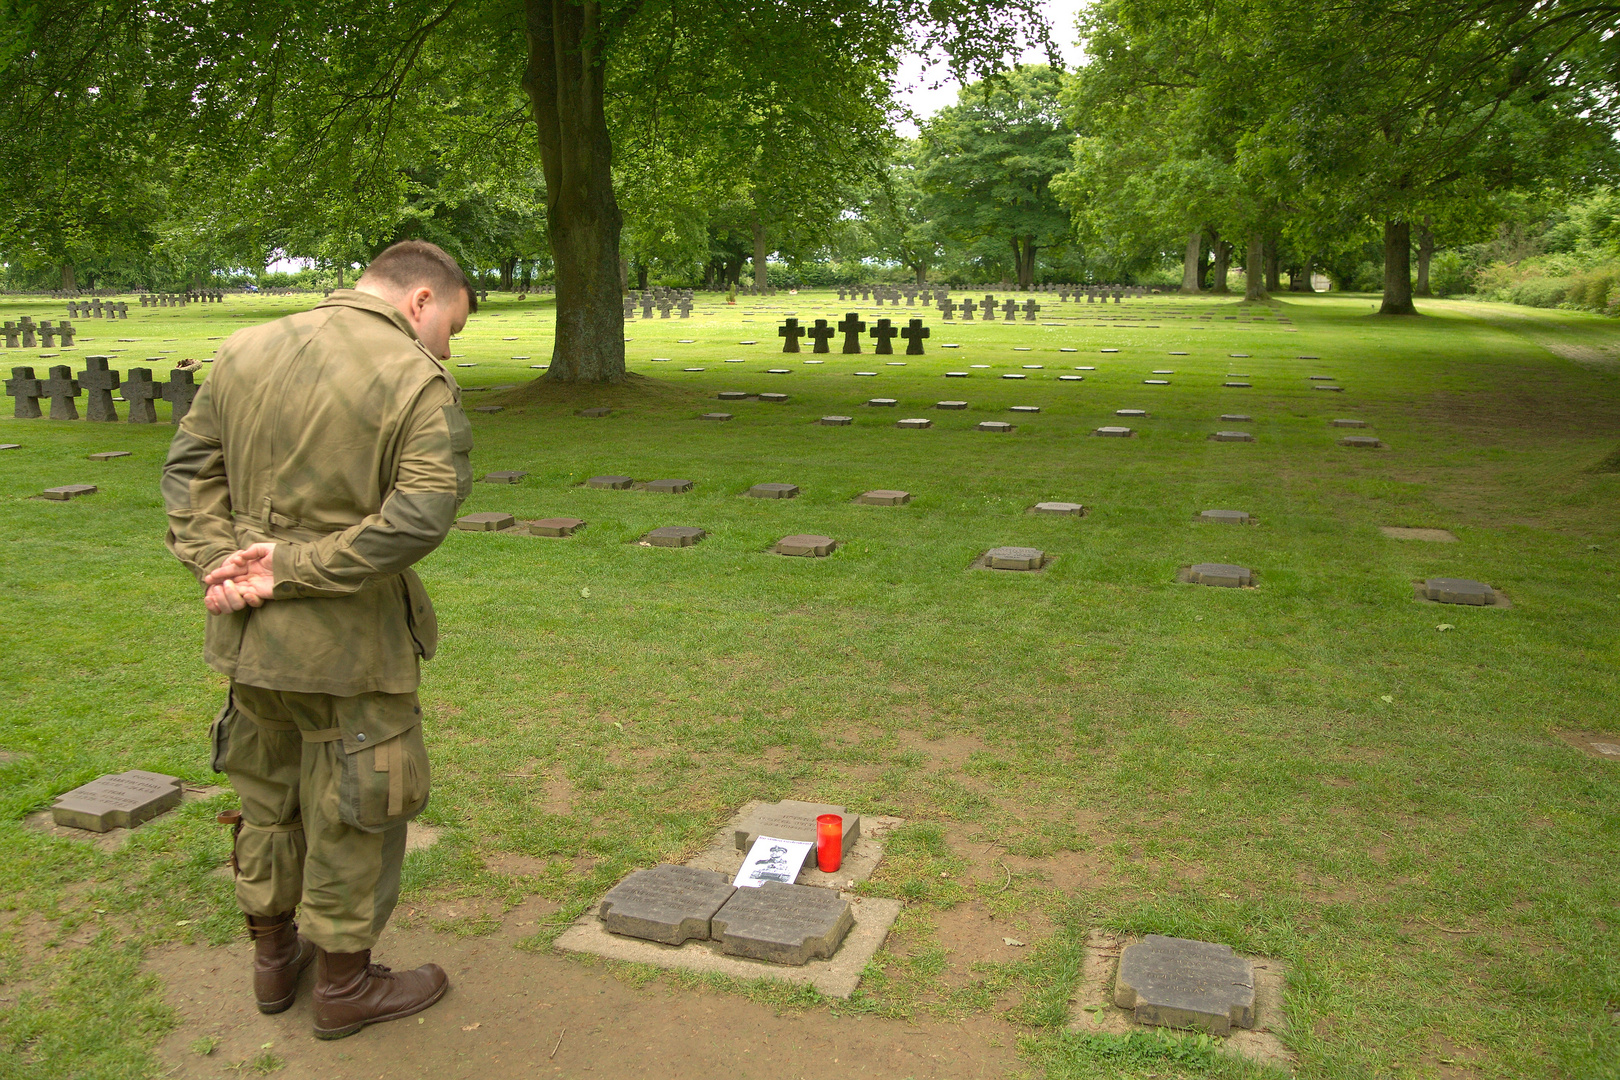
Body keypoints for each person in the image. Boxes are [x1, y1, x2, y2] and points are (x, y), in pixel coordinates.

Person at [162, 240, 476, 1039]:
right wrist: (287, 567)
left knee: (266, 797)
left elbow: (188, 471)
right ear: (420, 300)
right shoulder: (414, 377)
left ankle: (274, 959)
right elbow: (418, 516)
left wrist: (219, 564)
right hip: (348, 646)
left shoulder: (243, 349)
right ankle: (345, 984)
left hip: (248, 639)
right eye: (453, 325)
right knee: (356, 805)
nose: (447, 345)